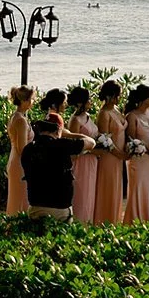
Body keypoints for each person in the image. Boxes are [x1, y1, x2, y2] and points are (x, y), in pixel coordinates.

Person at [20, 112, 95, 218]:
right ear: (58, 130)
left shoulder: (28, 149)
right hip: (60, 208)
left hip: (35, 207)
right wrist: (69, 134)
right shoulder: (62, 145)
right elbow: (91, 143)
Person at [123, 84, 149, 223]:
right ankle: (135, 221)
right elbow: (131, 141)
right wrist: (146, 150)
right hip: (139, 159)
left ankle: (148, 220)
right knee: (138, 189)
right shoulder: (132, 116)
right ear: (143, 99)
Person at [92, 80, 127, 224]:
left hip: (119, 157)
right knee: (109, 187)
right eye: (117, 95)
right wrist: (120, 154)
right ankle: (104, 220)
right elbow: (105, 140)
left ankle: (115, 219)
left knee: (116, 187)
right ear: (110, 96)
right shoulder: (104, 114)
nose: (119, 98)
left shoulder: (116, 109)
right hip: (110, 157)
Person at [67, 87, 100, 222]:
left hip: (92, 161)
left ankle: (88, 222)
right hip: (81, 162)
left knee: (89, 195)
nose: (91, 102)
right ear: (81, 102)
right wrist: (90, 150)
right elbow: (73, 146)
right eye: (88, 100)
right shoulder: (75, 120)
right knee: (81, 195)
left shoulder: (88, 117)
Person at [5, 85, 35, 216]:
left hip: (15, 159)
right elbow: (22, 148)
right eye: (31, 99)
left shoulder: (16, 117)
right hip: (20, 162)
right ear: (24, 101)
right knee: (22, 196)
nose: (33, 102)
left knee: (18, 195)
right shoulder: (20, 120)